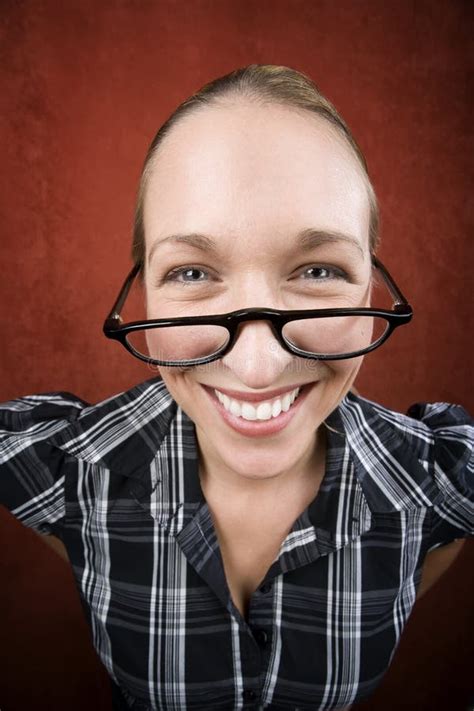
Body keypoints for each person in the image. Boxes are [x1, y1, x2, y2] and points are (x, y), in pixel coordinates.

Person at [0, 64, 472, 711]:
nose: (257, 365)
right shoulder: (69, 473)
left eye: (318, 269)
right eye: (193, 270)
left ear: (368, 293)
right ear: (144, 293)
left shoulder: (436, 490)